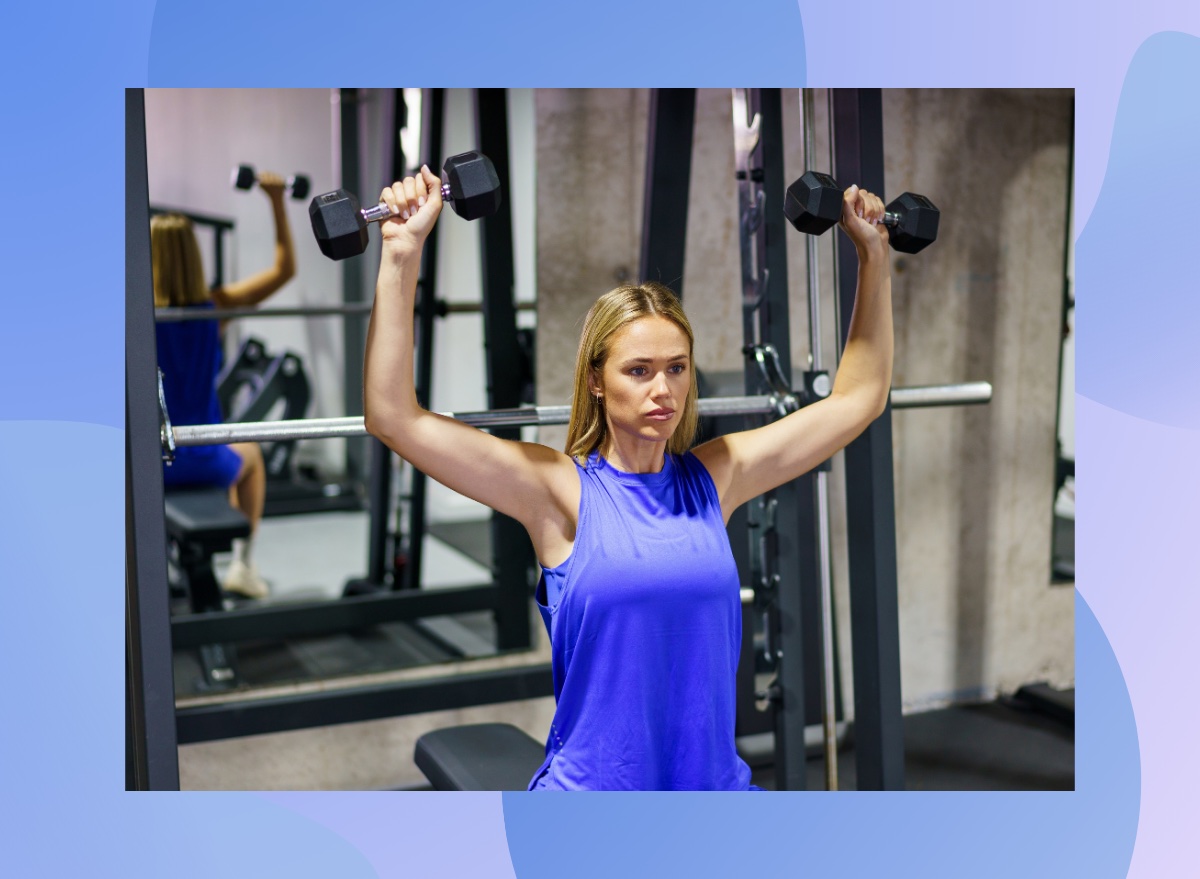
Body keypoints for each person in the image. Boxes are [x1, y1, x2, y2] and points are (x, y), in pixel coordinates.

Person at [363, 166, 892, 790]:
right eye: (638, 371)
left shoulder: (715, 479)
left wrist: (874, 255)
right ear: (596, 379)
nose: (662, 390)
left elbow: (859, 398)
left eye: (676, 368)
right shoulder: (559, 493)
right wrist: (401, 255)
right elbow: (393, 416)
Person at [152, 172, 296, 600]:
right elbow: (284, 269)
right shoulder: (214, 308)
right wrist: (274, 200)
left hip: (151, 463)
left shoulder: (134, 318)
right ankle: (242, 565)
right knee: (251, 454)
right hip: (205, 457)